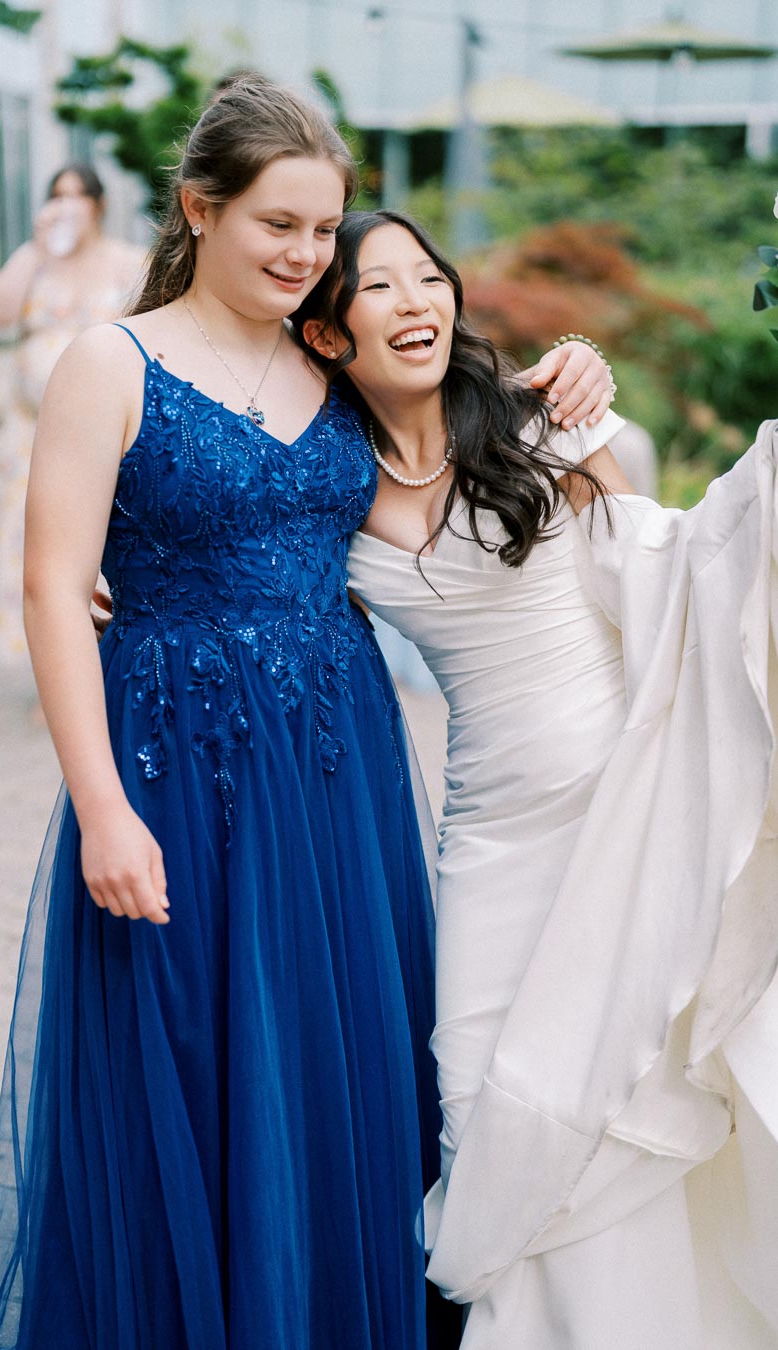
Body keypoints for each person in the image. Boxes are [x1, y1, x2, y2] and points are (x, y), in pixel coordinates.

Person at [0, 78, 612, 1350]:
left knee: (334, 1071)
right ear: (199, 208)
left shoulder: (329, 356)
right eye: (279, 225)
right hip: (174, 772)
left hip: (337, 771)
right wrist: (102, 807)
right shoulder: (114, 361)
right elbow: (53, 587)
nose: (305, 256)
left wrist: (569, 385)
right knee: (198, 1069)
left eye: (323, 234)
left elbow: (446, 477)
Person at [296, 209, 778, 1348]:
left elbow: (652, 562)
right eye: (378, 286)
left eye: (429, 276)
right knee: (482, 1095)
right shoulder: (319, 479)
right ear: (325, 332)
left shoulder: (534, 418)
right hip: (492, 841)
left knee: (619, 1092)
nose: (416, 300)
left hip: (626, 804)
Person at [0, 163, 144, 669]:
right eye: (57, 195)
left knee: (95, 539)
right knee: (31, 541)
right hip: (31, 430)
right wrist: (34, 251)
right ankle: (46, 664)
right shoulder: (36, 261)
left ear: (97, 205)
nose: (67, 205)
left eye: (77, 195)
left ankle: (101, 660)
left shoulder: (125, 261)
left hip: (104, 432)